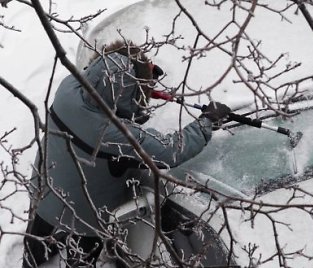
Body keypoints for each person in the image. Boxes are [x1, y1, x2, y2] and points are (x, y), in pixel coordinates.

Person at [22, 40, 231, 267]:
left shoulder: (68, 87)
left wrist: (140, 86)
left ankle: (29, 261)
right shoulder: (113, 134)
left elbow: (102, 82)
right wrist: (206, 122)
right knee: (80, 258)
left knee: (36, 244)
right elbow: (170, 150)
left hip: (46, 191)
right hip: (85, 216)